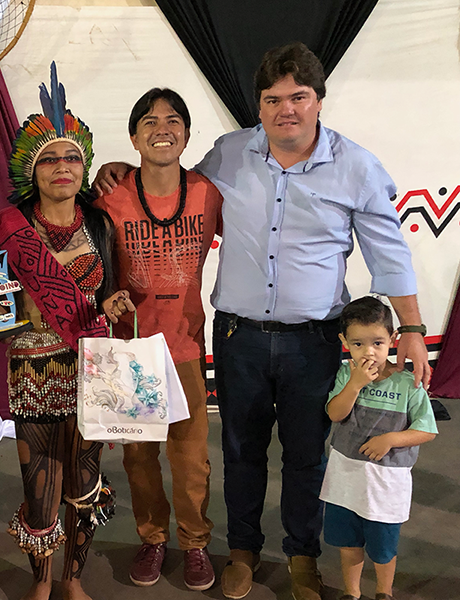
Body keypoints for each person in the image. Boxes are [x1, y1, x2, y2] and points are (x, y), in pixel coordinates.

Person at [93, 42, 430, 600]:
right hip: (238, 337)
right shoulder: (228, 154)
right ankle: (242, 552)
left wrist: (413, 330)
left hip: (315, 340)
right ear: (259, 105)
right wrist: (123, 170)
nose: (285, 110)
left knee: (305, 456)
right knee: (240, 453)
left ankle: (302, 557)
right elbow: (171, 183)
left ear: (319, 100)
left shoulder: (357, 168)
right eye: (272, 99)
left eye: (298, 96)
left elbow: (389, 255)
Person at [0, 62, 120, 600]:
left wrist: (114, 305)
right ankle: (41, 582)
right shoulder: (6, 229)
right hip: (34, 369)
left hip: (92, 367)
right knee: (40, 485)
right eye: (49, 159)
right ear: (30, 171)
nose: (62, 166)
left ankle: (74, 578)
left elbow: (114, 298)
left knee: (84, 482)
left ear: (83, 166)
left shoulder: (101, 224)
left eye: (71, 157)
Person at [94, 88, 221, 590]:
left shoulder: (210, 193)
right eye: (149, 121)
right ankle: (152, 538)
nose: (161, 128)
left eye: (173, 120)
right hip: (130, 350)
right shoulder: (109, 195)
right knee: (139, 458)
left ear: (187, 134)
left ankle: (194, 543)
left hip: (186, 346)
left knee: (191, 459)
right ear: (133, 136)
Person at [321, 296, 437, 600]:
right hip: (344, 481)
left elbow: (426, 430)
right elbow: (334, 414)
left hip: (386, 487)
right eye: (358, 344)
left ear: (393, 339)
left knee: (383, 549)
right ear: (344, 342)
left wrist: (391, 439)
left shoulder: (407, 383)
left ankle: (384, 593)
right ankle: (352, 592)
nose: (368, 352)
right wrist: (355, 385)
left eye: (377, 343)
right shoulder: (347, 375)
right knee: (348, 544)